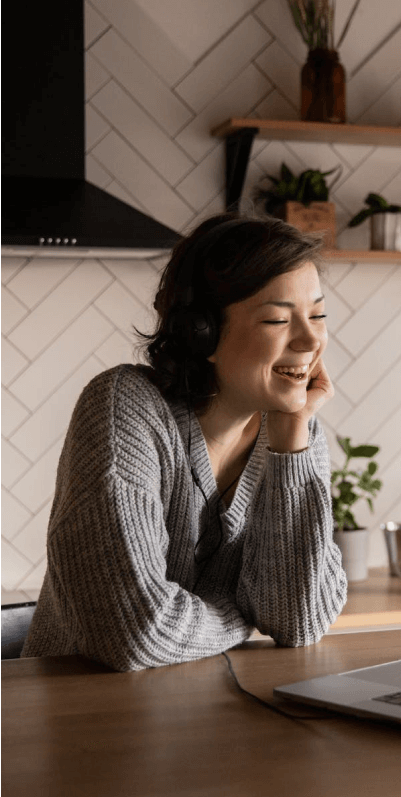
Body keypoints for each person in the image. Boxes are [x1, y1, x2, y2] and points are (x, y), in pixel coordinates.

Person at [22, 213, 348, 671]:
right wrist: (240, 614)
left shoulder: (295, 432)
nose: (311, 340)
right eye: (278, 319)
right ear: (202, 333)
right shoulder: (125, 408)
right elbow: (135, 632)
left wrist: (292, 444)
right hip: (80, 720)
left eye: (318, 314)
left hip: (205, 716)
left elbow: (299, 621)